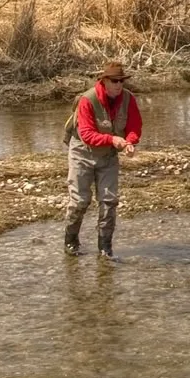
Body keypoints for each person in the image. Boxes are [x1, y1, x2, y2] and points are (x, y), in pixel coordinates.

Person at [63, 59, 141, 259]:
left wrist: (130, 142)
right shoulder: (87, 100)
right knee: (80, 201)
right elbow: (87, 135)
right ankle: (71, 243)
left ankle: (105, 249)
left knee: (109, 201)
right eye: (114, 81)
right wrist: (113, 139)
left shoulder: (128, 99)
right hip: (82, 153)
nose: (119, 85)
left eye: (121, 81)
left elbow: (134, 126)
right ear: (104, 81)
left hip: (108, 156)